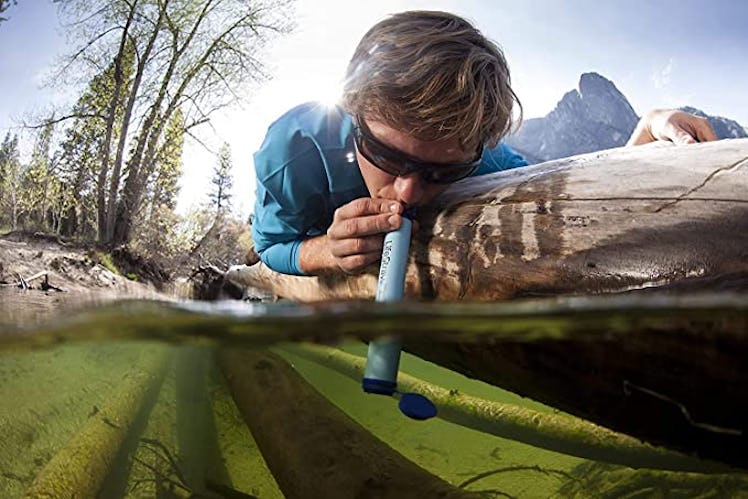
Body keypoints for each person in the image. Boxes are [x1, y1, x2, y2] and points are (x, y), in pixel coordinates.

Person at [251, 10, 717, 276]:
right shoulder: (292, 150)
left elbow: (562, 185)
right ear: (354, 109)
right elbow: (272, 244)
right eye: (387, 156)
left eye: (442, 174)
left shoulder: (483, 159)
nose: (409, 192)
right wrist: (323, 253)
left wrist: (643, 136)